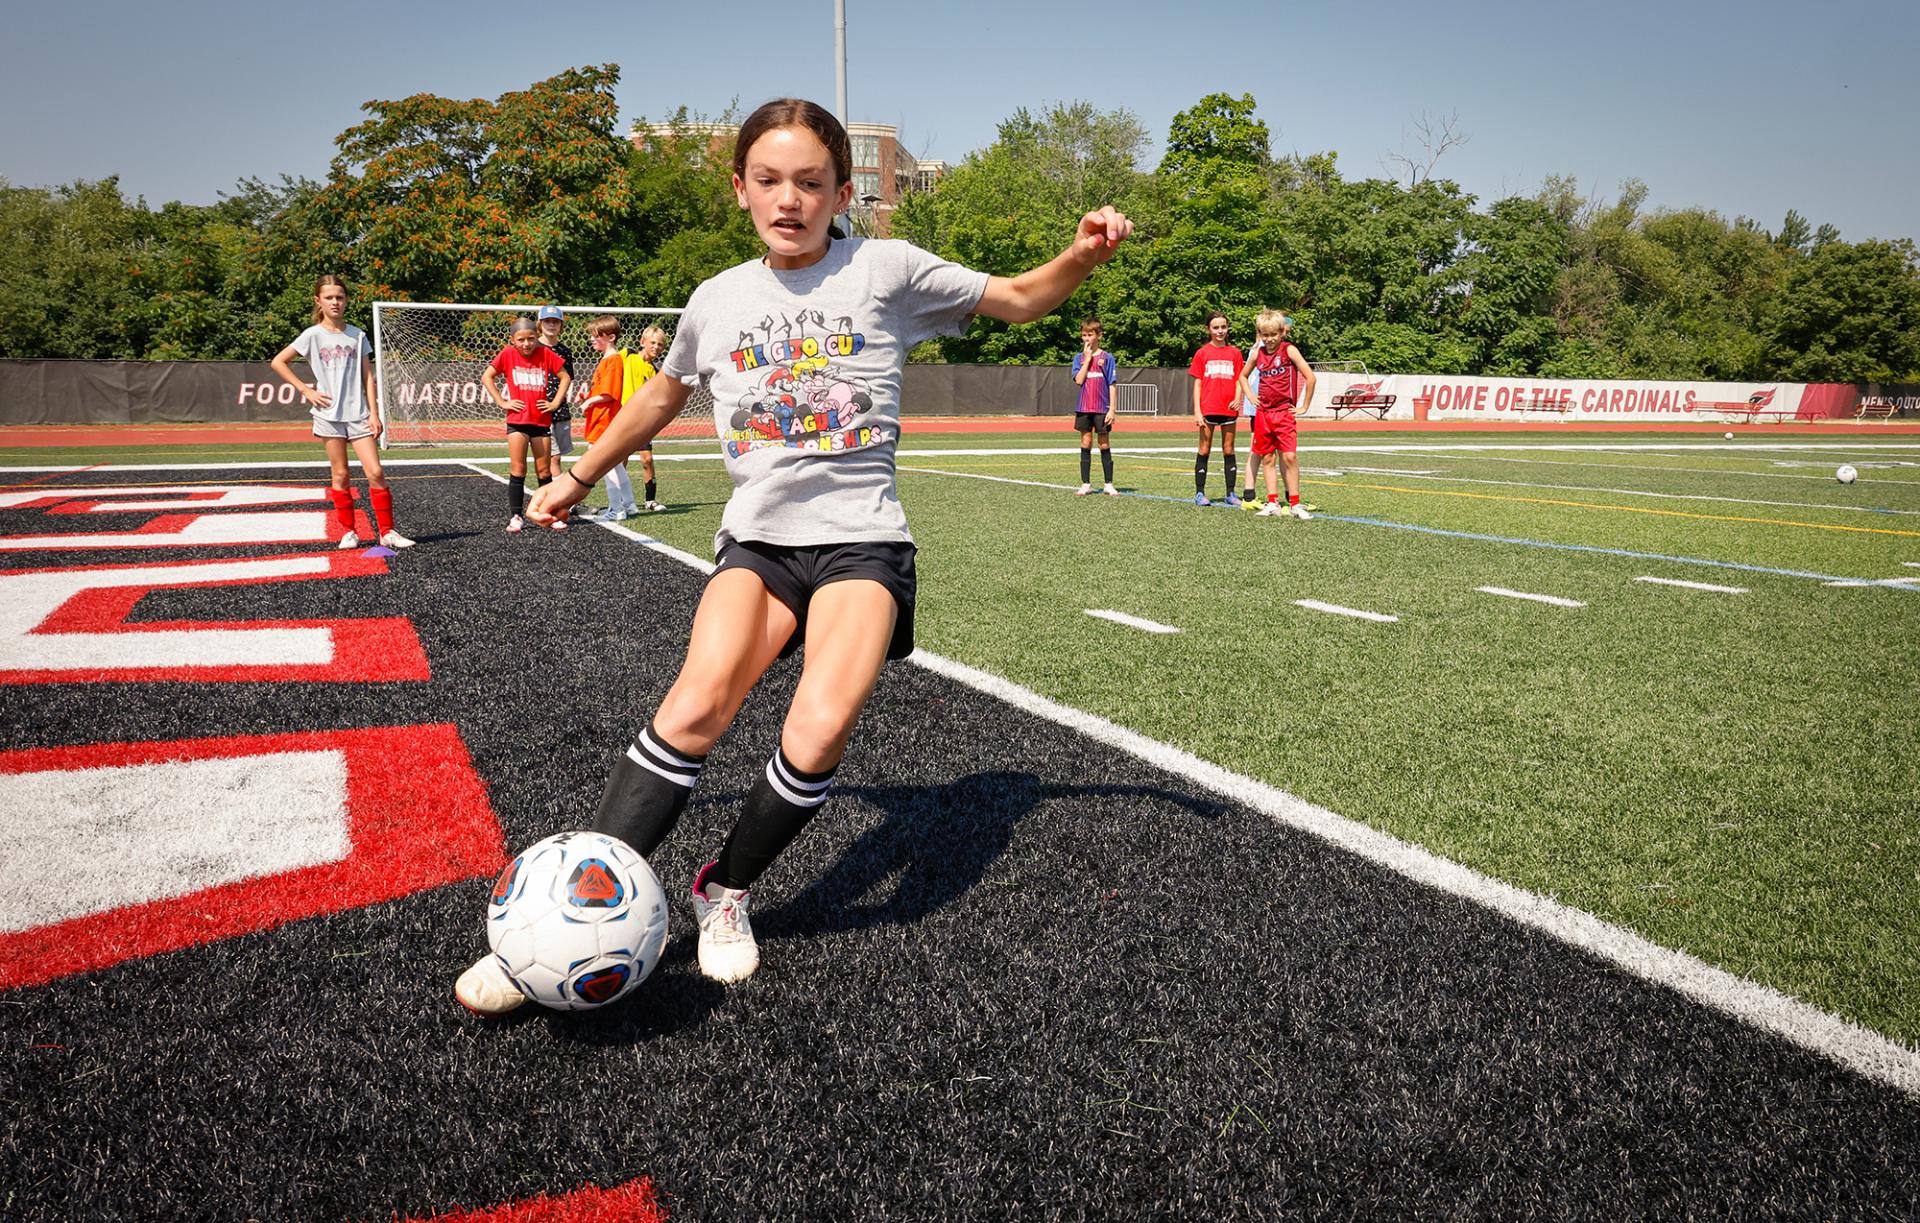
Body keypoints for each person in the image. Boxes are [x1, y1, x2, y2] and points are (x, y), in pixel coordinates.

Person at [454, 96, 1133, 1013]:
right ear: (740, 189)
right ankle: (554, 920)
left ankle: (725, 890)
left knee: (816, 730)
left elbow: (1016, 298)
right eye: (769, 180)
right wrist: (577, 476)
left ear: (841, 190)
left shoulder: (885, 268)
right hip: (761, 542)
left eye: (811, 182)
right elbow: (660, 399)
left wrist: (1082, 256)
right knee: (696, 706)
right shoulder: (717, 298)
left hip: (864, 544)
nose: (789, 198)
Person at [269, 274, 414, 550]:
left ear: (346, 299)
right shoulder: (312, 335)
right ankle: (349, 531)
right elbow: (278, 362)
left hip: (358, 415)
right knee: (341, 474)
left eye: (339, 297)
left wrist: (374, 412)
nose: (335, 302)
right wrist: (307, 390)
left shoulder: (357, 335)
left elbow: (367, 377)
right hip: (327, 416)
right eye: (329, 297)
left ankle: (387, 532)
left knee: (375, 471)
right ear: (318, 301)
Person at [481, 318, 571, 533]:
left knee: (544, 471)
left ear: (536, 336)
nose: (527, 344)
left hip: (541, 421)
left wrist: (556, 402)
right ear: (512, 340)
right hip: (517, 422)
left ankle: (548, 513)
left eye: (531, 338)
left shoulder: (546, 354)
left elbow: (565, 377)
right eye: (521, 340)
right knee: (518, 470)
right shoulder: (507, 354)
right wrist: (502, 402)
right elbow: (487, 377)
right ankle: (516, 516)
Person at [1234, 310, 1316, 518]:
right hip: (1264, 414)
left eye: (1274, 334)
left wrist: (1304, 406)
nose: (1270, 339)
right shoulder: (1257, 354)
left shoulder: (1289, 351)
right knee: (1267, 457)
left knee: (1289, 456)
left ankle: (1295, 504)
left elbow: (1310, 377)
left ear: (1282, 332)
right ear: (1260, 334)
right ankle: (1273, 503)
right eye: (1265, 335)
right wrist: (1250, 396)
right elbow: (1243, 376)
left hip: (1284, 413)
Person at [577, 316, 641, 521]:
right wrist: (587, 398)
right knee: (615, 464)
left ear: (611, 337)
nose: (592, 340)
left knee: (604, 464)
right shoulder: (607, 359)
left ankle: (616, 508)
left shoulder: (613, 361)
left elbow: (609, 393)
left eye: (597, 336)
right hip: (601, 418)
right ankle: (629, 504)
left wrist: (590, 402)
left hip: (604, 420)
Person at [1187, 311, 1244, 507]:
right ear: (1208, 329)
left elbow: (1239, 379)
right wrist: (1197, 411)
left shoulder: (1235, 353)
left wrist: (1238, 398)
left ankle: (1230, 493)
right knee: (1204, 449)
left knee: (1229, 449)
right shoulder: (1202, 353)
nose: (1220, 331)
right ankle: (1200, 493)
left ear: (1227, 329)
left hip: (1228, 409)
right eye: (1216, 327)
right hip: (1208, 408)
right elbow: (1198, 384)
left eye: (1223, 327)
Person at [1070, 319, 1118, 495]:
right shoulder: (1079, 358)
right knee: (1086, 442)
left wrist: (1112, 409)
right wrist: (1088, 359)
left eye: (1090, 335)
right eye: (1084, 335)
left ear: (1099, 335)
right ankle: (1086, 483)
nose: (1087, 338)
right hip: (1084, 407)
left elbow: (1112, 384)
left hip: (1101, 408)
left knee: (1104, 443)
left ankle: (1108, 483)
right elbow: (1079, 380)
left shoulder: (1108, 358)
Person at [623, 326, 669, 511]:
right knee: (620, 460)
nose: (656, 347)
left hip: (643, 420)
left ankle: (650, 500)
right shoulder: (627, 356)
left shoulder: (655, 371)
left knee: (647, 460)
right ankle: (619, 499)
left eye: (660, 344)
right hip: (623, 417)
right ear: (642, 342)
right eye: (653, 342)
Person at [536, 305, 576, 483]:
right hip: (539, 409)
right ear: (540, 323)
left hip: (559, 408)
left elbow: (567, 379)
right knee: (552, 457)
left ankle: (554, 497)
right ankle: (562, 498)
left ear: (561, 325)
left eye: (555, 322)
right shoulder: (532, 347)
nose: (551, 325)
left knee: (557, 456)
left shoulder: (565, 351)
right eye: (547, 321)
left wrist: (558, 401)